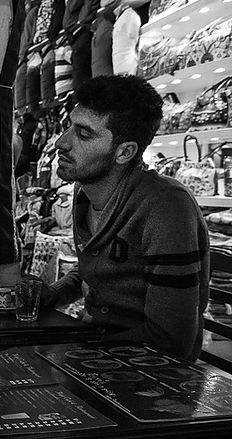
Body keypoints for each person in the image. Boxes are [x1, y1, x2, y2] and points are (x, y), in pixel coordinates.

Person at [43, 74, 209, 361]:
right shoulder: (85, 193)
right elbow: (97, 272)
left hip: (147, 371)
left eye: (83, 134)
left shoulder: (166, 206)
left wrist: (79, 350)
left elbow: (171, 340)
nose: (61, 142)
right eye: (68, 127)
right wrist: (51, 294)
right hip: (97, 351)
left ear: (124, 152)